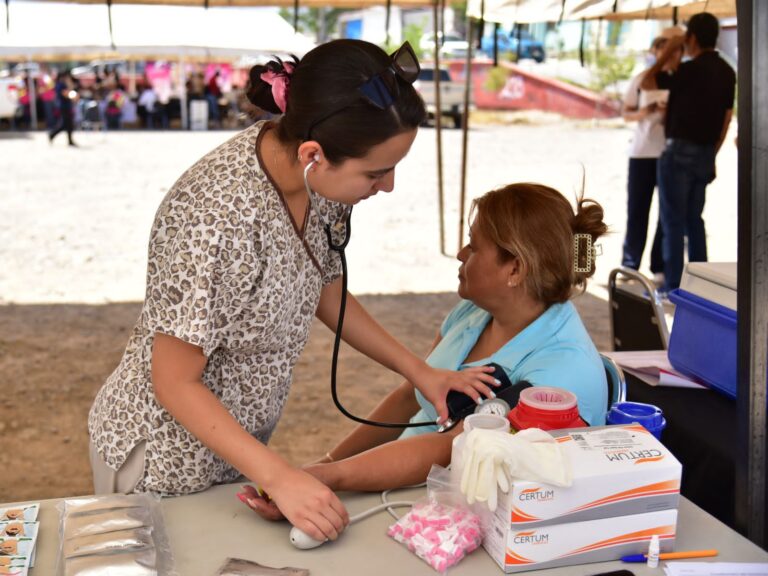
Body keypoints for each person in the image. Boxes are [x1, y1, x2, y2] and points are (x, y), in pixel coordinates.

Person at [87, 39, 498, 545]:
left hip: (235, 446)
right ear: (313, 155)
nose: (387, 186)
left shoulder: (317, 179)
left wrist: (421, 373)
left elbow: (323, 282)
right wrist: (281, 477)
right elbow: (174, 382)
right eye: (376, 172)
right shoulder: (216, 219)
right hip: (163, 454)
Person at [238, 182, 608, 514]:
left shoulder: (559, 374)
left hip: (449, 508)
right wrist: (327, 463)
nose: (462, 254)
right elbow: (409, 397)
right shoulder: (475, 312)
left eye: (474, 246)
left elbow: (446, 448)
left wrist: (328, 476)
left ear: (515, 269)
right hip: (404, 486)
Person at [641, 13, 736, 292]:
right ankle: (702, 286)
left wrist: (671, 47)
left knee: (673, 221)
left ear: (691, 38)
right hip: (705, 152)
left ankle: (673, 285)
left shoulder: (687, 71)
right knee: (695, 220)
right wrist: (712, 152)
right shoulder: (727, 71)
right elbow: (727, 118)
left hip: (678, 151)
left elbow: (648, 80)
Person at [620, 28, 683, 285]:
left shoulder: (679, 80)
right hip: (642, 152)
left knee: (665, 214)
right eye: (661, 48)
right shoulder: (642, 79)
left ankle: (659, 265)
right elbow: (626, 112)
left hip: (668, 152)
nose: (666, 54)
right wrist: (645, 111)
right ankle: (630, 263)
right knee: (637, 209)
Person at [48, 71, 77, 146]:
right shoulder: (60, 85)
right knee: (65, 124)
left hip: (66, 106)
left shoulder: (63, 84)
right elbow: (66, 94)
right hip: (64, 107)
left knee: (68, 125)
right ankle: (52, 134)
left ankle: (69, 140)